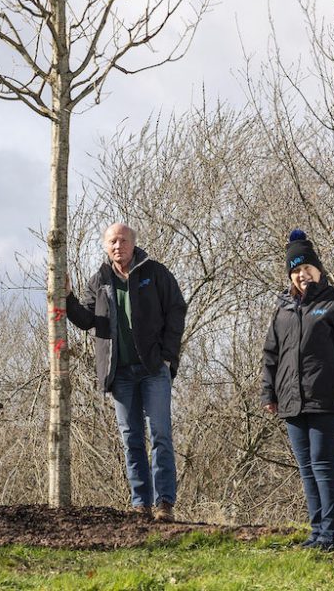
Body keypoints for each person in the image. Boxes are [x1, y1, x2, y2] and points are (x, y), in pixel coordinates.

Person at [66, 223, 187, 522]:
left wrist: (169, 357)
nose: (117, 246)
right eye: (111, 241)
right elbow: (86, 320)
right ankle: (140, 504)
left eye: (122, 240)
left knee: (160, 434)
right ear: (105, 246)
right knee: (131, 437)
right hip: (119, 372)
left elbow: (176, 309)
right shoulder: (99, 280)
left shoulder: (154, 272)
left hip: (153, 369)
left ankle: (164, 504)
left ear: (133, 243)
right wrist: (66, 297)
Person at [262, 229, 334, 551]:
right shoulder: (282, 309)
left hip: (330, 399)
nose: (301, 275)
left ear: (318, 269)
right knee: (307, 468)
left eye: (306, 268)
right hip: (293, 403)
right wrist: (269, 393)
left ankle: (333, 536)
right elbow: (271, 355)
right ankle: (317, 532)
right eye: (295, 270)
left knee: (324, 465)